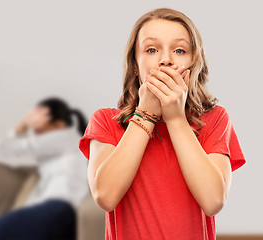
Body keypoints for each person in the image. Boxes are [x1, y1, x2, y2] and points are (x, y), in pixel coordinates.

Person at [78, 8, 246, 240]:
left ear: (193, 64)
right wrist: (146, 113)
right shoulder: (106, 122)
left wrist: (175, 118)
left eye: (179, 50)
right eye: (151, 49)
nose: (165, 59)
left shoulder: (215, 119)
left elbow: (213, 201)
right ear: (135, 66)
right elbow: (105, 197)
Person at [0, 97, 89, 240]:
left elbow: (23, 146)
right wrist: (20, 128)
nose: (36, 136)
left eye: (40, 131)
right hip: (41, 213)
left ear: (59, 125)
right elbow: (18, 144)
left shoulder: (70, 138)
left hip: (58, 212)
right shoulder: (52, 153)